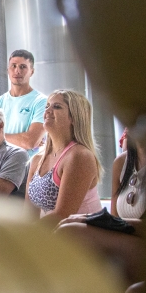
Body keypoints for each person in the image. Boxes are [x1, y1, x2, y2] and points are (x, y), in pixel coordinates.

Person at [56, 130, 146, 286]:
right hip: (128, 240)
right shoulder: (121, 163)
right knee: (67, 230)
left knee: (71, 231)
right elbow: (116, 220)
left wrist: (94, 219)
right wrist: (100, 221)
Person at [26, 89, 102, 227]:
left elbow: (62, 215)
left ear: (74, 117)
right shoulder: (37, 160)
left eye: (57, 106)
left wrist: (25, 234)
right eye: (47, 106)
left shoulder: (79, 156)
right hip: (51, 235)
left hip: (83, 236)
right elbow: (28, 214)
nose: (48, 111)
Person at [0, 50, 48, 157]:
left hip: (28, 166)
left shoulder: (41, 101)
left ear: (32, 71)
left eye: (23, 67)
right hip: (0, 165)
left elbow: (30, 141)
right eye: (13, 66)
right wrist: (21, 139)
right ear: (8, 70)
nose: (17, 71)